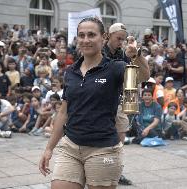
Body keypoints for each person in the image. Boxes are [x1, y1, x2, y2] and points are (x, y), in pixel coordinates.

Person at [39, 17, 133, 189]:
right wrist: (49, 148)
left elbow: (141, 76)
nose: (86, 40)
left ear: (103, 37)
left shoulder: (116, 67)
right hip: (71, 147)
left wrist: (137, 56)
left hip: (103, 149)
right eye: (81, 35)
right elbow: (63, 112)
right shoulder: (71, 71)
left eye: (91, 35)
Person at [103, 22, 150, 185]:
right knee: (101, 143)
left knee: (119, 142)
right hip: (100, 105)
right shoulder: (99, 52)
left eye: (124, 39)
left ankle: (116, 173)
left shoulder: (125, 54)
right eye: (118, 38)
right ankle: (97, 172)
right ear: (108, 36)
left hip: (118, 104)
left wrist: (136, 55)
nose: (121, 42)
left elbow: (142, 77)